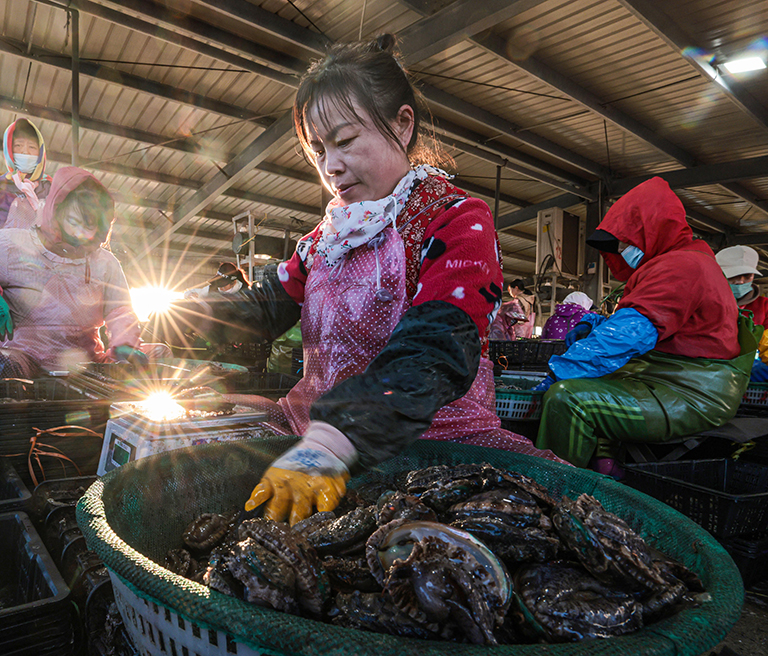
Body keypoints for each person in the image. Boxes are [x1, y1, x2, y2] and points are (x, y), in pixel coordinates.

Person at [157, 34, 560, 526]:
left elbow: (436, 346)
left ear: (402, 124)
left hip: (436, 446)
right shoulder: (323, 242)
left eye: (345, 141)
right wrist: (168, 320)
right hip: (309, 432)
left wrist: (337, 438)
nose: (331, 166)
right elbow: (262, 308)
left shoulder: (454, 221)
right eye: (317, 149)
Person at [534, 177, 757, 472]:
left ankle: (554, 492)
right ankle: (606, 470)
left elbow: (628, 334)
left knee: (568, 399)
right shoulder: (677, 263)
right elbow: (654, 324)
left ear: (653, 231)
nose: (624, 249)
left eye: (628, 241)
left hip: (692, 393)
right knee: (593, 383)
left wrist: (560, 370)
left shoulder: (682, 266)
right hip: (661, 378)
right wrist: (597, 325)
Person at [0, 166, 168, 380]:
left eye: (89, 226)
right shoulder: (13, 244)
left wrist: (125, 343)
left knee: (159, 355)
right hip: (27, 360)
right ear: (56, 210)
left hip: (88, 363)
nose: (81, 233)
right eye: (74, 221)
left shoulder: (104, 262)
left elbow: (120, 310)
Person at [0, 117, 52, 247]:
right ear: (8, 150)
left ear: (41, 152)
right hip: (3, 260)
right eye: (18, 145)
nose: (25, 151)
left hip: (44, 263)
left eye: (32, 147)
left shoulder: (50, 188)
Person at [716, 245, 768, 382]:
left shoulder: (764, 306)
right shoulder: (705, 302)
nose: (740, 281)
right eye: (733, 276)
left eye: (747, 276)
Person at [182, 262, 250, 300]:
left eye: (223, 285)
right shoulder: (212, 288)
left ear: (233, 282)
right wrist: (189, 294)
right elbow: (190, 292)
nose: (220, 288)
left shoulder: (246, 293)